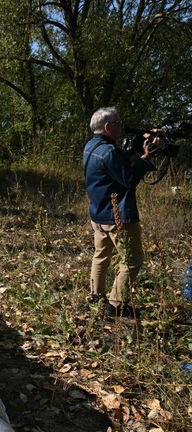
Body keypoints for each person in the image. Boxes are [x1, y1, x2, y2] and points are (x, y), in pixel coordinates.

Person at [83, 106, 155, 318]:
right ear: (107, 127)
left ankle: (96, 296)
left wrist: (132, 150)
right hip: (117, 216)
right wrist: (145, 158)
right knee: (132, 260)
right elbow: (130, 180)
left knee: (101, 256)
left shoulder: (91, 146)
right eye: (118, 124)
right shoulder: (110, 152)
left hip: (98, 212)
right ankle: (116, 304)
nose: (121, 127)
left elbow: (113, 167)